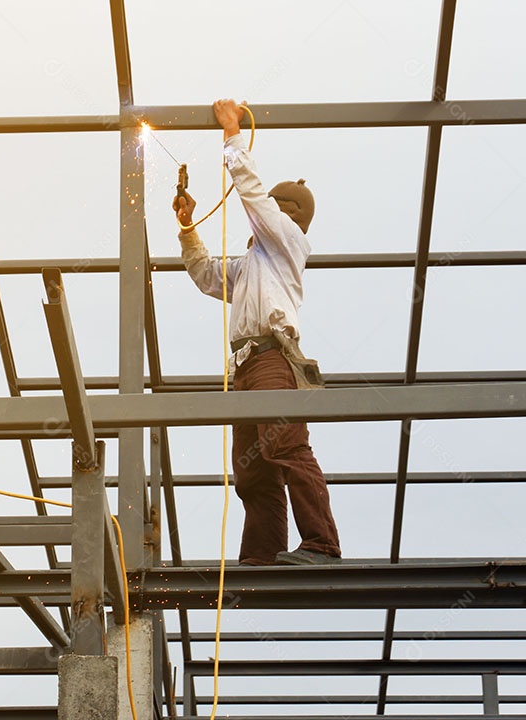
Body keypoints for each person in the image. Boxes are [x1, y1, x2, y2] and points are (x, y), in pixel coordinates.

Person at [171, 98, 341, 566]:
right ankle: (263, 555)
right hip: (245, 366)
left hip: (271, 360)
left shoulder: (287, 242)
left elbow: (253, 197)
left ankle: (323, 546)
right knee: (251, 473)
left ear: (284, 216)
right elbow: (206, 274)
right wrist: (188, 227)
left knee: (285, 445)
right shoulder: (252, 268)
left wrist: (231, 137)